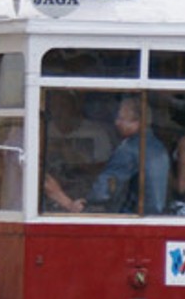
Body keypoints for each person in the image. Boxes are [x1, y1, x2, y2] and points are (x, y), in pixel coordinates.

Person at [44, 95, 173, 215]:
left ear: (138, 122)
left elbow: (104, 191)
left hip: (131, 218)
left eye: (121, 119)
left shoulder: (129, 149)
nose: (116, 123)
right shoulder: (157, 146)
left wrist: (79, 201)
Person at [41, 90, 116, 210]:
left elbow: (105, 171)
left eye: (63, 105)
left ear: (75, 108)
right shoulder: (44, 131)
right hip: (49, 202)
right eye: (54, 106)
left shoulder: (96, 132)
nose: (59, 111)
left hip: (87, 199)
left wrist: (76, 159)